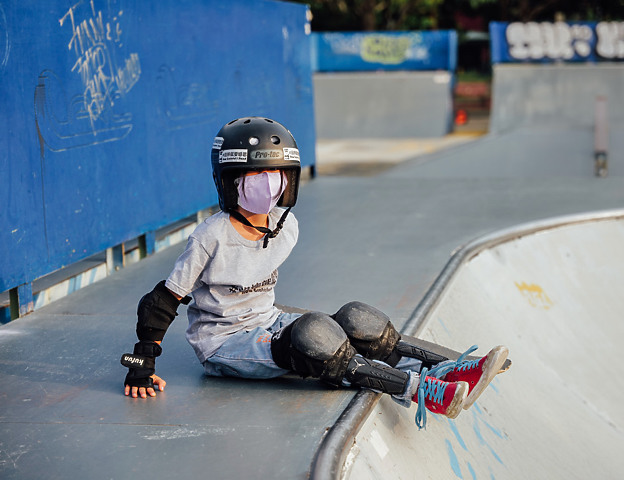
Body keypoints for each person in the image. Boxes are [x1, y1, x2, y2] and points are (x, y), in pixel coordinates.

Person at [121, 116, 509, 429]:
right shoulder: (211, 237)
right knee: (315, 341)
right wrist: (143, 363)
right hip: (224, 344)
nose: (267, 185)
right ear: (231, 182)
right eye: (255, 177)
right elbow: (162, 301)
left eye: (275, 175)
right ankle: (424, 392)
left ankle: (451, 368)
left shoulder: (285, 226)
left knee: (357, 321)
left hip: (267, 322)